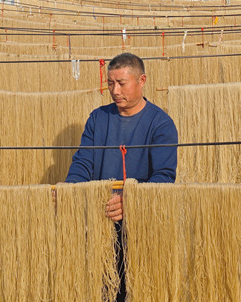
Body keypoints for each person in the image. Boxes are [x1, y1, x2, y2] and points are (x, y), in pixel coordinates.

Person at [64, 52, 178, 301]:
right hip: (99, 220)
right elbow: (83, 162)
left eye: (122, 83)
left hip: (142, 226)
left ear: (142, 80)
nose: (115, 90)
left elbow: (164, 176)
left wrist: (131, 201)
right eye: (110, 83)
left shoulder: (161, 124)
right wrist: (68, 191)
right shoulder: (98, 118)